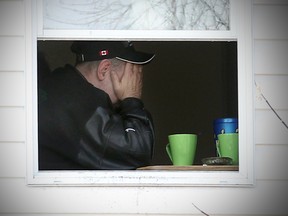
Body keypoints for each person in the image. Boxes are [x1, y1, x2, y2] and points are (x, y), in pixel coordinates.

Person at [38, 41, 155, 170]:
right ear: (104, 70)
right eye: (131, 73)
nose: (135, 80)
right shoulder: (79, 106)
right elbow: (137, 153)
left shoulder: (64, 86)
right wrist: (132, 99)